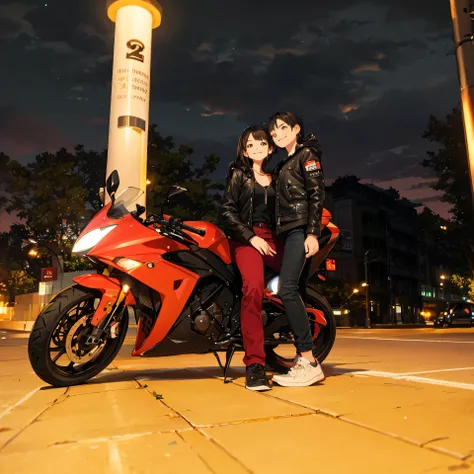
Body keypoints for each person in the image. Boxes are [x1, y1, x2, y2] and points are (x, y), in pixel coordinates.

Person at [218, 125, 283, 392]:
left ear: (270, 148)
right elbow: (227, 211)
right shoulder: (238, 174)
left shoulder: (277, 177)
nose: (255, 148)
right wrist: (250, 237)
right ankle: (255, 364)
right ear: (245, 150)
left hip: (273, 238)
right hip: (246, 240)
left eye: (260, 143)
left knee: (293, 282)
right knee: (253, 288)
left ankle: (306, 356)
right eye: (250, 145)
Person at [267, 111, 326, 387]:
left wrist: (312, 233)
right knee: (295, 292)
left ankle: (309, 361)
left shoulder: (307, 156)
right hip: (286, 231)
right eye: (273, 130)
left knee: (287, 288)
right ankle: (304, 359)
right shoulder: (283, 165)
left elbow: (316, 194)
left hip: (300, 229)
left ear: (296, 129)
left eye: (282, 128)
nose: (276, 133)